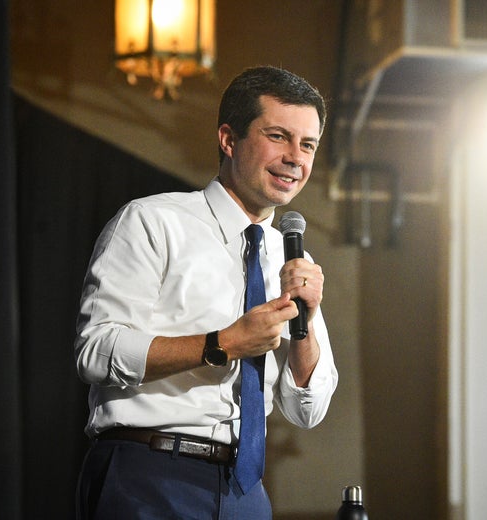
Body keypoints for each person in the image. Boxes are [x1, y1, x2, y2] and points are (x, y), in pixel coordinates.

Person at [74, 65, 338, 519]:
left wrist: (307, 320)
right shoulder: (154, 222)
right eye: (279, 136)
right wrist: (223, 344)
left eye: (308, 144)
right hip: (149, 473)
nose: (296, 157)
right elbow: (96, 352)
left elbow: (306, 411)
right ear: (229, 139)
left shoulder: (291, 257)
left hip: (244, 488)